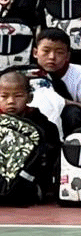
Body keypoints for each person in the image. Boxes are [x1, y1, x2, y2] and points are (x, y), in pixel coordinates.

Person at [0, 70, 59, 205]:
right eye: (4, 96)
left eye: (18, 96)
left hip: (26, 186)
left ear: (29, 97)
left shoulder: (43, 125)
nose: (11, 101)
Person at [27, 28, 81, 127]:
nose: (52, 57)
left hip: (72, 124)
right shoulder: (27, 73)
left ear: (67, 56)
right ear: (35, 53)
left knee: (72, 112)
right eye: (46, 51)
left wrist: (61, 102)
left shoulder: (80, 73)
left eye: (59, 52)